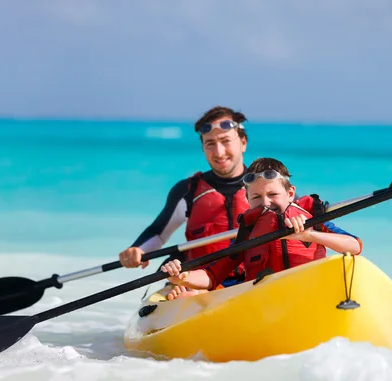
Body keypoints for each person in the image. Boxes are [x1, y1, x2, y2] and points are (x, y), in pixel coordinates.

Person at [160, 157, 363, 300]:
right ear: (247, 199)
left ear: (290, 193)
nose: (265, 203)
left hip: (308, 294)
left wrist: (308, 234)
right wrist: (181, 277)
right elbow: (212, 275)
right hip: (264, 302)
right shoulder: (248, 233)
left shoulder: (313, 218)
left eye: (273, 194)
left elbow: (354, 246)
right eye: (256, 197)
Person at [118, 106, 251, 286]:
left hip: (253, 281)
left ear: (243, 143)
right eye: (210, 143)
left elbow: (298, 224)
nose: (219, 152)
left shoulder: (270, 185)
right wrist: (136, 250)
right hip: (197, 284)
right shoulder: (188, 191)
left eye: (226, 141)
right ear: (203, 147)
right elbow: (158, 233)